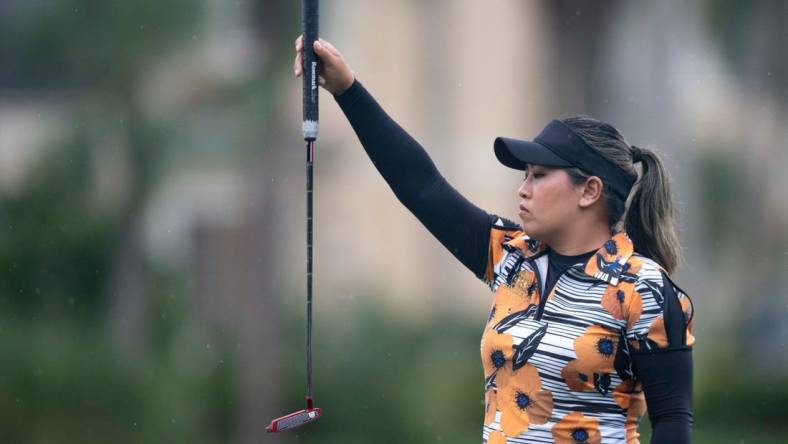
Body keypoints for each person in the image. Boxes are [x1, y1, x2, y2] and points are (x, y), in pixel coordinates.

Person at [294, 36, 695, 444]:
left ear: (589, 191)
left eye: (539, 175)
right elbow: (422, 187)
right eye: (525, 176)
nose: (524, 189)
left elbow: (673, 424)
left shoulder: (643, 288)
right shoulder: (510, 257)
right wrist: (347, 90)